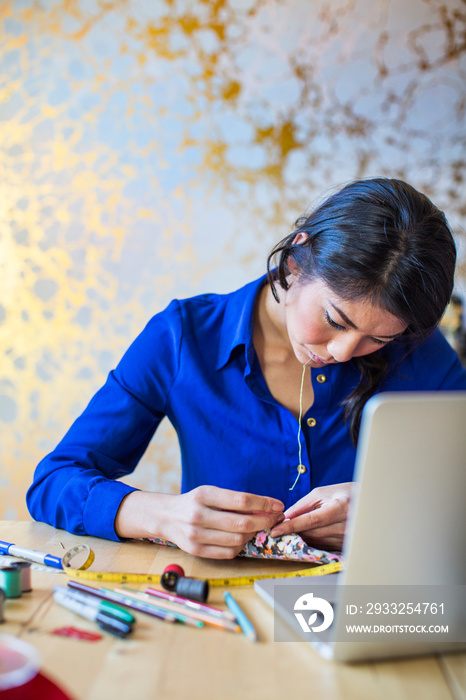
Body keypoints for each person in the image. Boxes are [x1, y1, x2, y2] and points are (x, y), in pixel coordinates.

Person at [27, 178, 466, 559]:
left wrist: (388, 507)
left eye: (379, 339)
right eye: (335, 320)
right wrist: (160, 515)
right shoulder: (183, 338)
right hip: (215, 608)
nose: (344, 351)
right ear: (296, 262)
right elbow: (53, 481)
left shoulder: (421, 353)